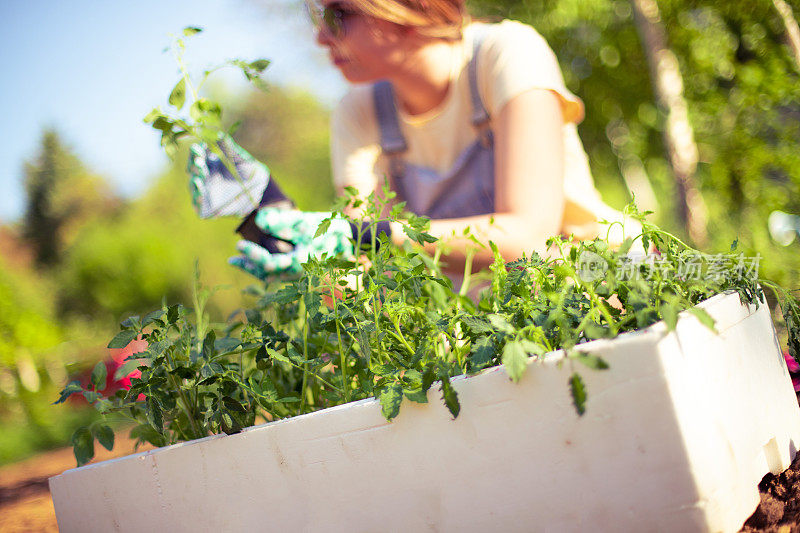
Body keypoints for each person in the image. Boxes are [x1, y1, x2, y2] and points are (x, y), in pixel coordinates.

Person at [188, 0, 638, 280]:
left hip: (602, 281)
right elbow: (366, 273)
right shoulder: (357, 112)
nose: (321, 37)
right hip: (493, 322)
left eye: (338, 14)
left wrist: (371, 235)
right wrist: (279, 224)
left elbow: (529, 236)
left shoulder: (505, 54)